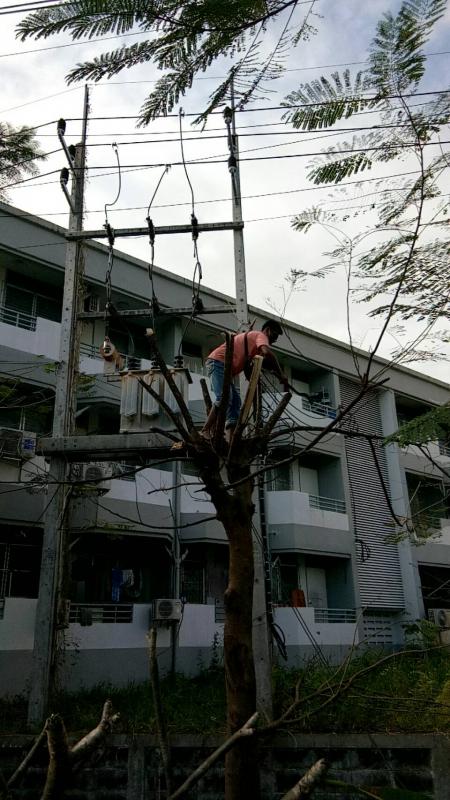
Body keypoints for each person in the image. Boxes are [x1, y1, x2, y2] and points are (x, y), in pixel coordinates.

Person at [201, 320, 289, 441]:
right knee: (224, 397)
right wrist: (281, 375)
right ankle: (205, 429)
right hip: (218, 362)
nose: (274, 340)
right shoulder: (260, 335)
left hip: (223, 367)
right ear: (268, 330)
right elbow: (268, 353)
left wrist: (255, 381)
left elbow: (247, 369)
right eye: (274, 335)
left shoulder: (252, 344)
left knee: (235, 402)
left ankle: (230, 439)